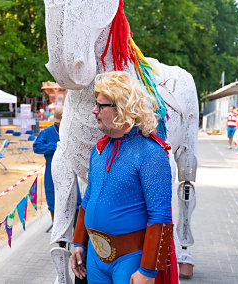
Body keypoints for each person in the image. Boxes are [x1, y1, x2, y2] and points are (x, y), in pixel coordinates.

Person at [71, 71, 175, 284]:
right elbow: (87, 200)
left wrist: (148, 270)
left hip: (130, 260)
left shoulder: (151, 153)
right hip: (94, 257)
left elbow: (161, 216)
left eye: (100, 106)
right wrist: (79, 244)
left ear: (121, 109)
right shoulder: (99, 150)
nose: (94, 110)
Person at [33, 107, 82, 224]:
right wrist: (54, 147)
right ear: (56, 121)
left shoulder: (70, 131)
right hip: (52, 170)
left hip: (69, 170)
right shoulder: (47, 132)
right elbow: (36, 147)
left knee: (75, 199)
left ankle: (76, 235)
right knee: (53, 199)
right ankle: (59, 237)